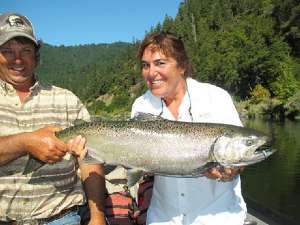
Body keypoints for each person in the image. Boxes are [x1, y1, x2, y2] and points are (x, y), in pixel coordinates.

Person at [131, 31, 248, 225]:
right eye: (145, 65)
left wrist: (233, 169)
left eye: (160, 63)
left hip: (219, 217)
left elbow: (238, 151)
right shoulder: (141, 105)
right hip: (163, 218)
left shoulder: (216, 97)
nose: (151, 73)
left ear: (182, 66)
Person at [0, 12, 106, 225]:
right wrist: (25, 143)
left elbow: (89, 161)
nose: (18, 59)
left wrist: (97, 216)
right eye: (7, 51)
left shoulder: (67, 99)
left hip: (62, 218)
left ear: (36, 56)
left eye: (26, 51)